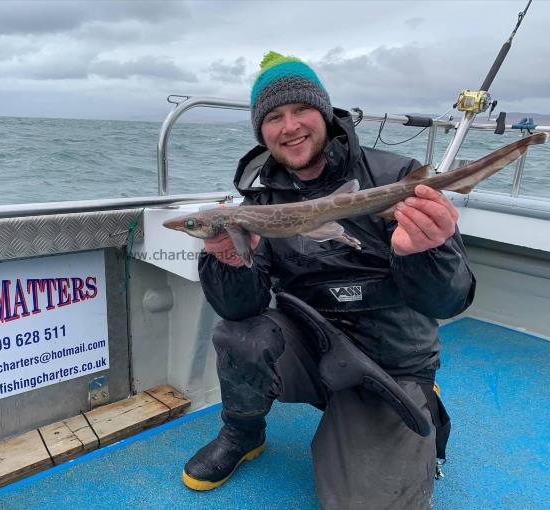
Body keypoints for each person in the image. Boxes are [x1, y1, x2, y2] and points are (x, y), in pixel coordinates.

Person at [181, 51, 476, 509]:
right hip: (312, 344)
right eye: (274, 117)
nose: (290, 126)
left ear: (325, 111)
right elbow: (241, 308)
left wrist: (425, 252)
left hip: (392, 357)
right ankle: (244, 432)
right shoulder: (256, 201)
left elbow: (449, 300)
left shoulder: (396, 178)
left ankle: (413, 401)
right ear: (262, 130)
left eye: (301, 109)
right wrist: (230, 264)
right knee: (239, 335)